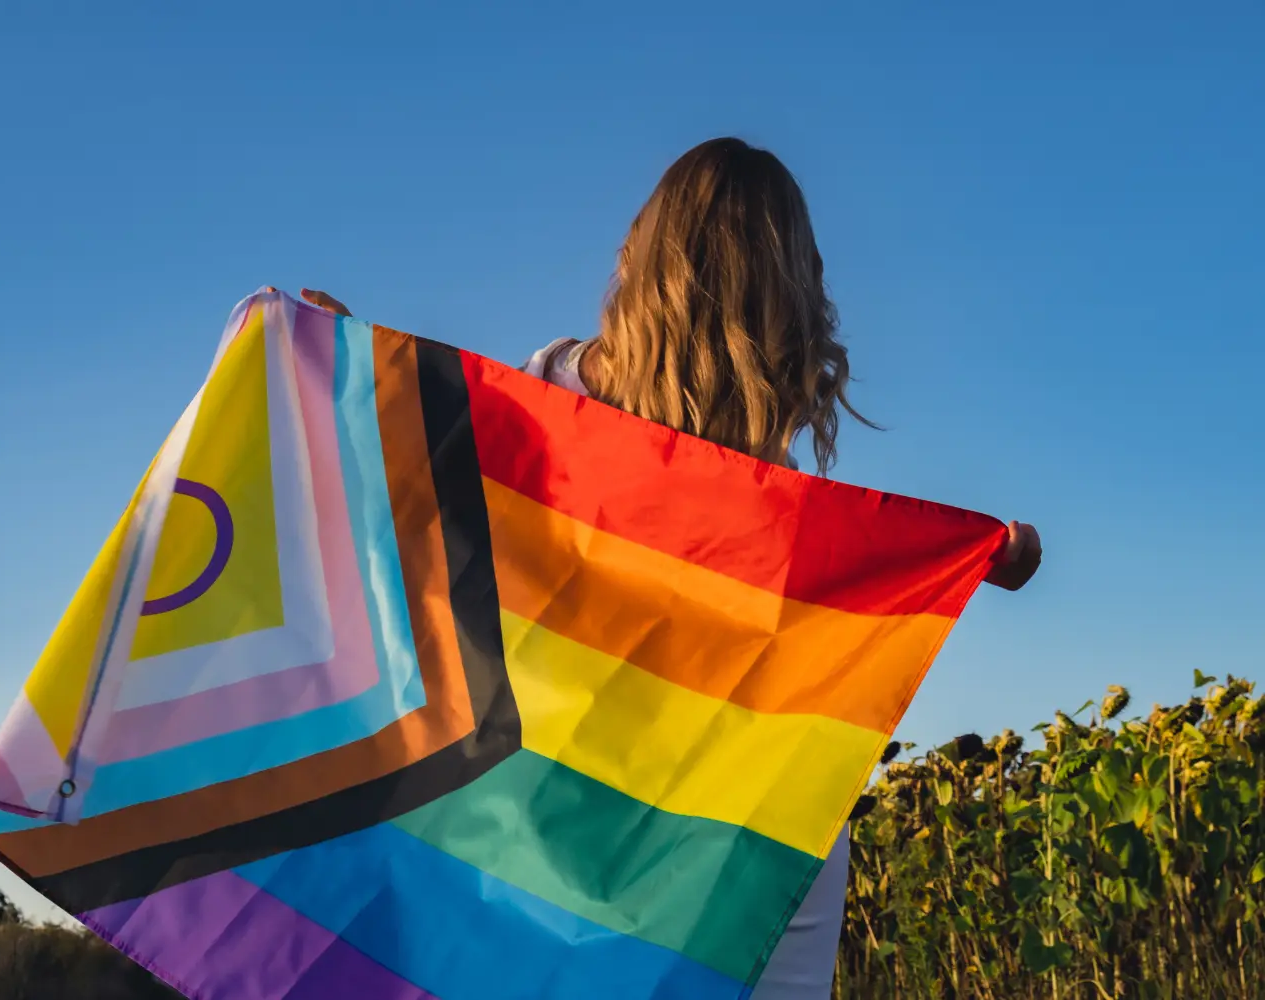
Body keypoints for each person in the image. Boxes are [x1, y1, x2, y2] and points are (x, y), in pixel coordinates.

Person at [290, 136, 1041, 999]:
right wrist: (983, 559)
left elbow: (433, 519)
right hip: (729, 828)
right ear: (794, 292)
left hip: (549, 815)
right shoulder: (767, 489)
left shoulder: (546, 397)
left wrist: (358, 392)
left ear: (639, 257)